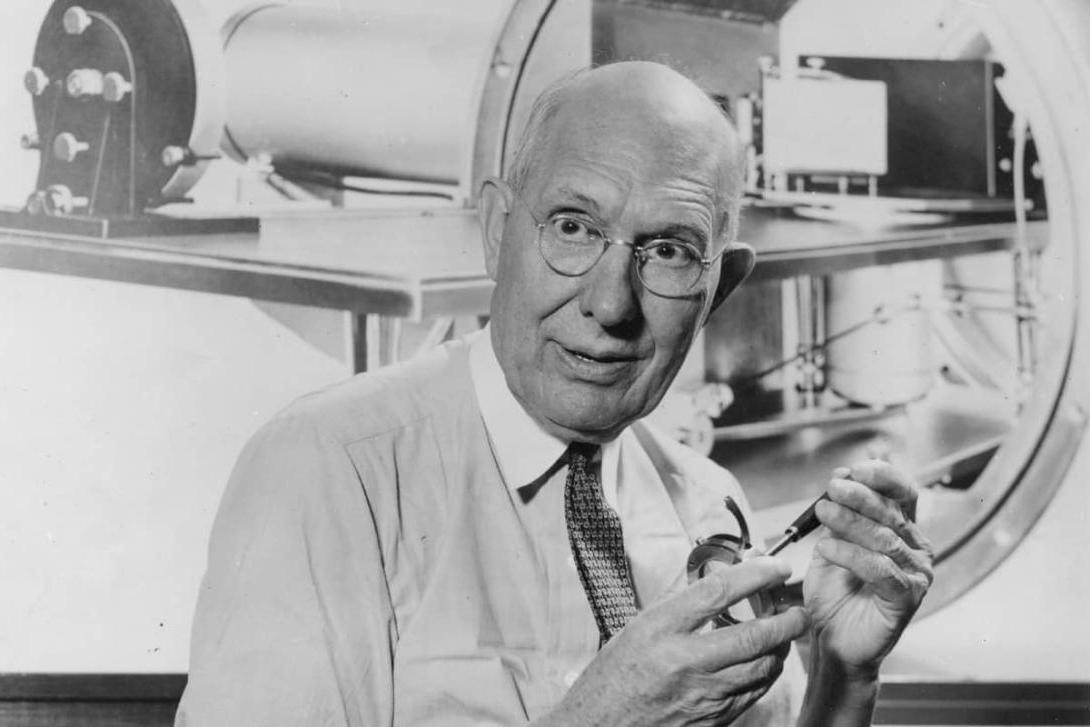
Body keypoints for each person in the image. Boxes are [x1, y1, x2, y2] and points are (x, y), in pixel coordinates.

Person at [176, 61, 933, 726]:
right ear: (498, 230)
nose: (610, 304)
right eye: (573, 227)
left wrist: (843, 678)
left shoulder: (707, 502)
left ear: (720, 289)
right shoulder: (328, 472)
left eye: (668, 251)